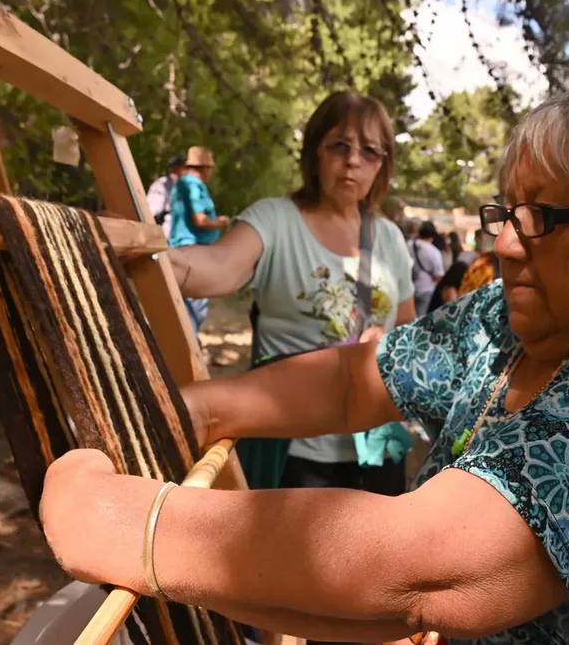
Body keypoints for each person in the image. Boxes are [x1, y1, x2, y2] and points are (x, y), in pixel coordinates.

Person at [40, 86, 569, 644]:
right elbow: (354, 380)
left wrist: (129, 524)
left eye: (543, 217)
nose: (503, 245)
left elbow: (416, 569)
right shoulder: (524, 316)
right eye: (506, 212)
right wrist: (197, 410)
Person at [168, 92, 415, 505]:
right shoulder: (275, 219)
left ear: (383, 165)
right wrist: (153, 260)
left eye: (370, 151)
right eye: (340, 145)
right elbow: (215, 267)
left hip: (378, 451)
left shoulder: (389, 237)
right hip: (292, 452)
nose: (353, 159)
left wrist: (387, 348)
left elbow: (409, 331)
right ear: (315, 150)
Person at [167, 146, 230, 334]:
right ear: (203, 168)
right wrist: (221, 222)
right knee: (193, 308)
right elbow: (200, 220)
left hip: (183, 249)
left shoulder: (181, 183)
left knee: (183, 306)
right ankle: (189, 351)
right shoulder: (193, 184)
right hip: (194, 251)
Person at [408, 220, 444, 316]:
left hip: (408, 288)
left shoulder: (409, 245)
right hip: (426, 289)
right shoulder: (434, 251)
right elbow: (438, 275)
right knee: (420, 318)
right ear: (433, 235)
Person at [145, 155, 186, 238]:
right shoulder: (163, 184)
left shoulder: (186, 186)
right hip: (167, 232)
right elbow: (152, 210)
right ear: (175, 167)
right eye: (185, 167)